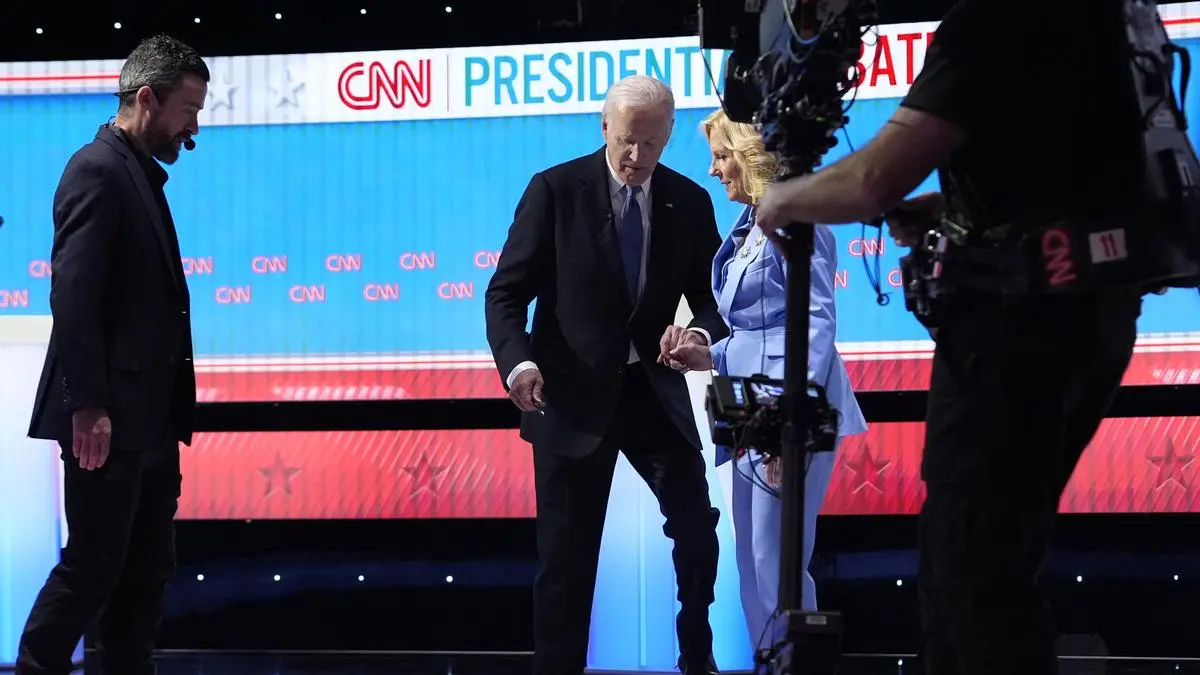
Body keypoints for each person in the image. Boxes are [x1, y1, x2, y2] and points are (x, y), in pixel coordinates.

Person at [749, 3, 1143, 674]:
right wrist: (954, 208)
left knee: (972, 582)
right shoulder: (1098, 17)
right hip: (1090, 320)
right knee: (990, 569)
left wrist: (781, 199)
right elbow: (1058, 172)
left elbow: (873, 179)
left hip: (1014, 336)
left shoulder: (990, 22)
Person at [484, 75, 730, 675]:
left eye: (650, 144)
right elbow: (506, 293)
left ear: (669, 135)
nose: (635, 157)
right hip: (568, 400)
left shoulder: (690, 201)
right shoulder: (555, 190)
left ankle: (697, 657)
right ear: (603, 127)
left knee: (697, 528)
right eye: (625, 141)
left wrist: (696, 333)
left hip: (652, 394)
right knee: (565, 565)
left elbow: (713, 296)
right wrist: (519, 362)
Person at [18, 34, 208, 675]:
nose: (194, 128)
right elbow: (73, 297)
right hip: (109, 418)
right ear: (147, 99)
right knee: (95, 566)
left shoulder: (138, 172)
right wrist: (89, 404)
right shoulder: (97, 168)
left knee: (147, 570)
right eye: (188, 110)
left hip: (148, 419)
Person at [666, 109, 866, 648]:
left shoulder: (797, 218)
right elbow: (756, 327)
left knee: (777, 557)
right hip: (738, 395)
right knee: (750, 556)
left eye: (721, 156)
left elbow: (814, 322)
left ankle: (793, 662)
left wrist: (787, 417)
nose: (713, 171)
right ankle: (766, 660)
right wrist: (707, 352)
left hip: (786, 401)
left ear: (750, 156)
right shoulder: (748, 224)